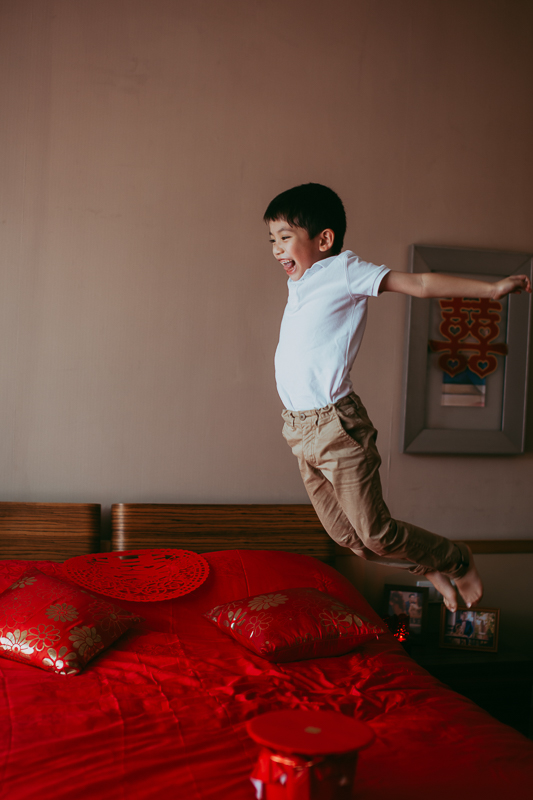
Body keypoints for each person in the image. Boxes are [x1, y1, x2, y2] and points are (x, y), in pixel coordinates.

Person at [264, 183, 531, 613]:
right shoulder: (301, 282)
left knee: (374, 534)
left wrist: (492, 290)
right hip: (297, 428)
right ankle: (428, 566)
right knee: (350, 539)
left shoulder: (343, 271)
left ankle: (455, 559)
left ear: (324, 240)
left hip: (335, 426)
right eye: (271, 239)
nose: (276, 249)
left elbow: (421, 283)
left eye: (284, 237)